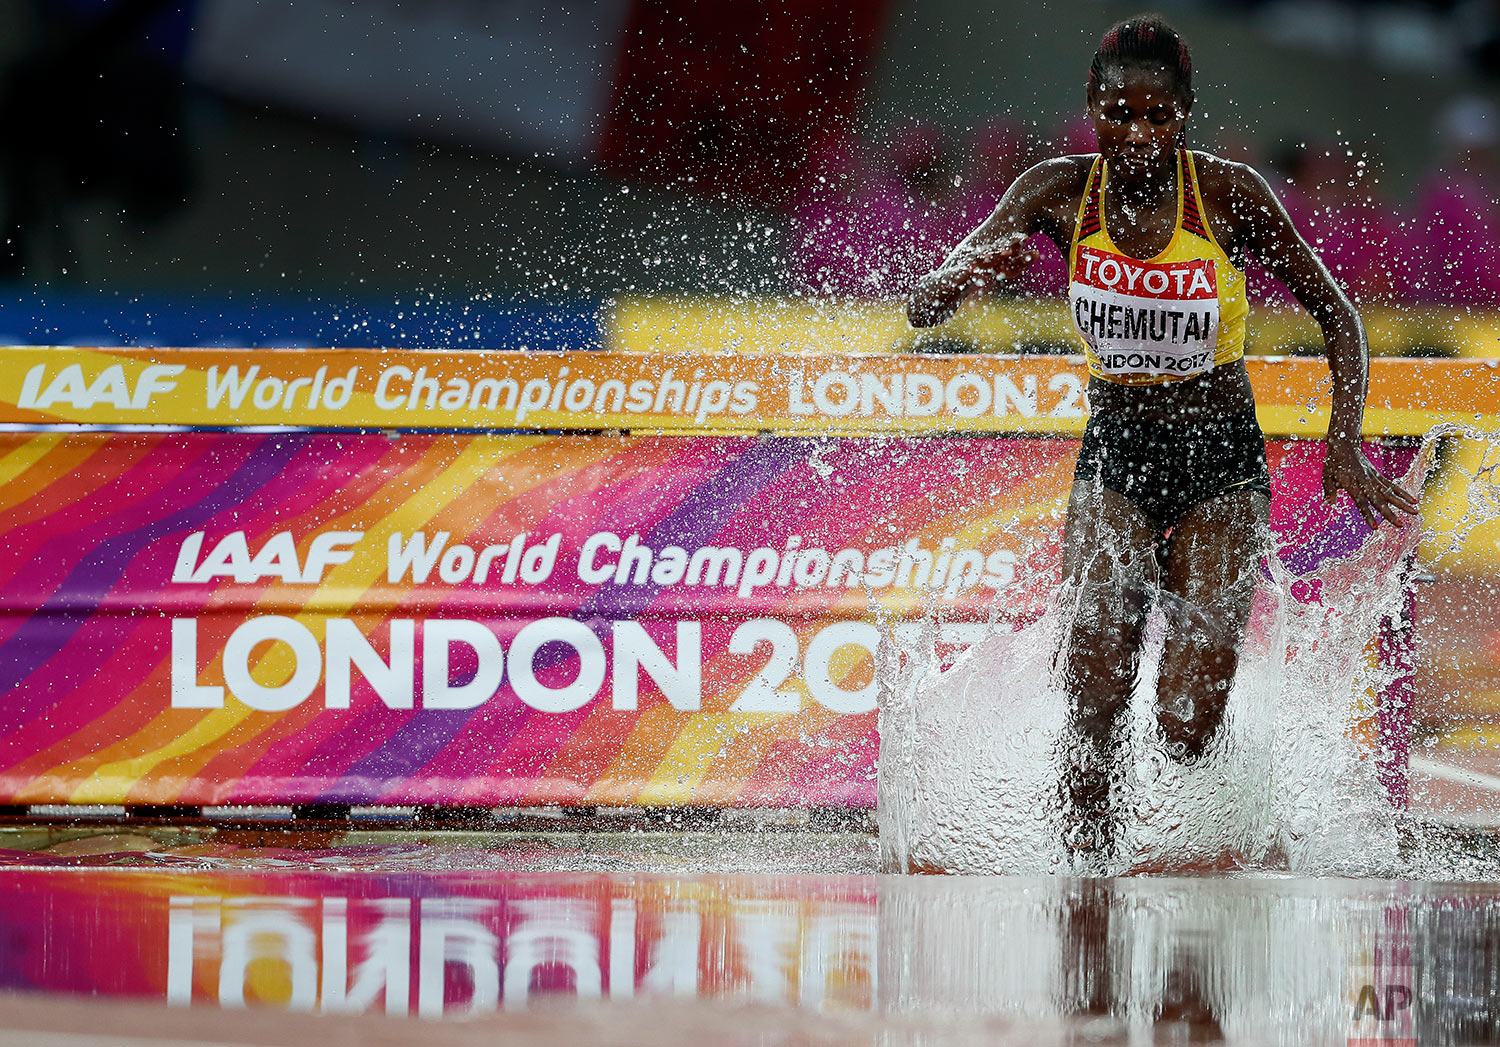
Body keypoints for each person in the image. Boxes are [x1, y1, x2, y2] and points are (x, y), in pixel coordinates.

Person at [907, 15, 1419, 864]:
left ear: (1184, 115)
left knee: (1186, 721)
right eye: (1119, 113)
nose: (1136, 134)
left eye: (1155, 117)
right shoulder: (1057, 192)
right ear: (1091, 108)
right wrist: (964, 274)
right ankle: (1088, 867)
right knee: (1096, 685)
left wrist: (1346, 440)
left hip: (1220, 461)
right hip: (1117, 453)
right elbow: (922, 303)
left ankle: (1244, 824)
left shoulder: (1225, 197)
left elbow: (1339, 311)